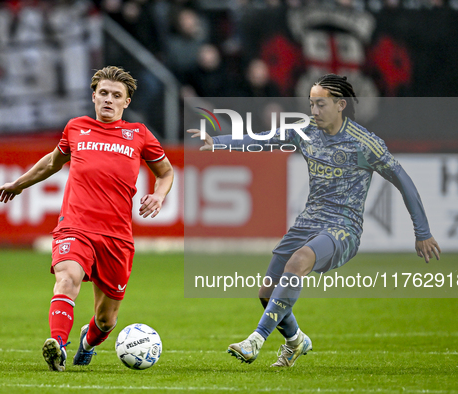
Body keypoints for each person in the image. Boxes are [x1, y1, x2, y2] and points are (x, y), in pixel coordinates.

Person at [188, 74, 441, 368]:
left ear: (341, 105)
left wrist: (422, 231)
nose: (314, 111)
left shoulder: (364, 143)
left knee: (297, 262)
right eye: (311, 104)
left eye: (321, 104)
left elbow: (402, 179)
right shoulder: (306, 132)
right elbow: (265, 140)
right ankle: (296, 342)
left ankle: (255, 340)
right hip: (307, 222)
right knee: (267, 293)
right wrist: (218, 142)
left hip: (343, 228)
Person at [0, 66, 174, 372]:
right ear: (93, 96)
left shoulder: (139, 135)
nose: (108, 99)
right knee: (67, 280)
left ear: (126, 102)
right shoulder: (76, 128)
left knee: (107, 320)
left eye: (116, 95)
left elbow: (166, 172)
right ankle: (58, 346)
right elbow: (52, 163)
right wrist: (19, 184)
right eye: (103, 93)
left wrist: (159, 196)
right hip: (75, 226)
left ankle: (87, 342)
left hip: (117, 237)